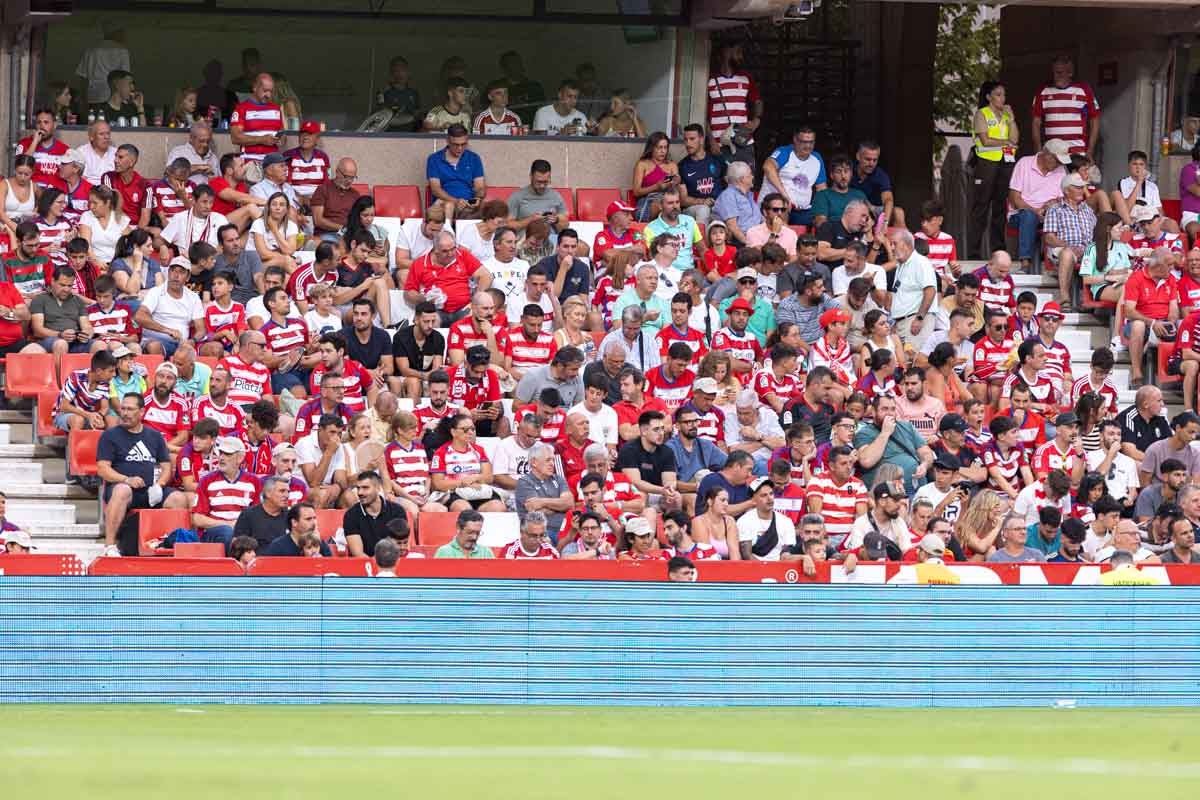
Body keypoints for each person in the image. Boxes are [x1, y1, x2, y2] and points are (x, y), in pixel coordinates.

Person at [98, 392, 190, 555]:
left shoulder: (154, 436)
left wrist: (159, 485)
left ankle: (170, 544)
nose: (125, 413)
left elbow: (166, 467)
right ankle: (110, 546)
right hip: (123, 488)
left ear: (142, 412)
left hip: (149, 490)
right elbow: (103, 469)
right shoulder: (110, 436)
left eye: (130, 409)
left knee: (179, 498)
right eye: (123, 409)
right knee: (122, 490)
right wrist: (126, 479)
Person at [1007, 139, 1070, 271]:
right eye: (1057, 160)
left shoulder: (1061, 170)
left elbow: (1064, 197)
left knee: (1064, 215)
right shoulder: (1024, 163)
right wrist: (1036, 211)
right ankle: (1025, 263)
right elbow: (1015, 198)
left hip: (1049, 214)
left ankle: (1059, 261)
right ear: (1046, 154)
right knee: (1029, 216)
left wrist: (1053, 203)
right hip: (1022, 213)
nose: (1059, 164)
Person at [403, 230, 491, 324]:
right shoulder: (420, 263)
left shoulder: (462, 255)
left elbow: (486, 276)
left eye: (453, 249)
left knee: (475, 316)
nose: (450, 254)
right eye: (445, 251)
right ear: (435, 250)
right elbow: (408, 293)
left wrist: (476, 300)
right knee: (429, 322)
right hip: (436, 310)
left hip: (464, 308)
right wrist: (425, 298)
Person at [855, 393, 934, 493]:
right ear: (874, 412)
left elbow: (926, 453)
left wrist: (924, 465)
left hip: (918, 490)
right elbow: (866, 461)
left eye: (892, 409)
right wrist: (885, 432)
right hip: (888, 494)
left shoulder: (907, 427)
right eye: (885, 409)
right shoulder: (864, 433)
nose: (890, 413)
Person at [1031, 54, 1100, 158]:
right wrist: (1038, 151)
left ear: (1070, 73)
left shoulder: (1084, 90)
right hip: (1052, 154)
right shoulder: (1042, 90)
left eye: (1059, 73)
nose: (1055, 76)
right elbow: (1036, 123)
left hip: (1078, 153)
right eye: (1054, 72)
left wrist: (1090, 151)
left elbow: (1095, 120)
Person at [1046, 173, 1098, 308]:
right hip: (1063, 248)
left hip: (1087, 249)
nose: (1082, 190)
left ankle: (1091, 300)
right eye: (1078, 187)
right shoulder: (1055, 209)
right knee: (1068, 253)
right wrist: (1069, 246)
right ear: (1067, 190)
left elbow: (1097, 233)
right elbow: (1049, 238)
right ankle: (1064, 298)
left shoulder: (1087, 209)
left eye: (1082, 187)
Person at [761, 126, 826, 227]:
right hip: (777, 208)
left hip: (803, 211)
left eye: (811, 142)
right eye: (804, 142)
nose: (808, 146)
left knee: (822, 222)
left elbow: (821, 189)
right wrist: (785, 196)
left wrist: (822, 212)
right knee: (782, 213)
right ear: (795, 140)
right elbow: (768, 167)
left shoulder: (817, 158)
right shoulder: (785, 152)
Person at [23, 266, 92, 355]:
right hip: (50, 340)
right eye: (62, 285)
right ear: (53, 281)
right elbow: (37, 330)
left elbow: (87, 326)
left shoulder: (77, 301)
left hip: (75, 341)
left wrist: (86, 334)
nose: (66, 289)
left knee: (100, 345)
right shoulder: (40, 299)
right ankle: (60, 369)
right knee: (61, 343)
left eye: (70, 286)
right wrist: (60, 334)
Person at [426, 124, 485, 223]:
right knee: (447, 206)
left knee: (492, 209)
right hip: (443, 201)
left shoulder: (474, 158)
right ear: (448, 141)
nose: (460, 148)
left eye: (463, 144)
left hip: (467, 203)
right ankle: (447, 232)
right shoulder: (434, 159)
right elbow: (435, 189)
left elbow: (479, 187)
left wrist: (477, 198)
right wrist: (455, 201)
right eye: (456, 145)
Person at [513, 443, 573, 541]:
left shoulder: (559, 479)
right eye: (548, 460)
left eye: (553, 460)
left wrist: (542, 502)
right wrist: (560, 507)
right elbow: (537, 512)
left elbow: (569, 503)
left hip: (565, 530)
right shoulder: (524, 482)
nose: (552, 463)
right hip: (542, 533)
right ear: (534, 462)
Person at [342, 470, 407, 558]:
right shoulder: (351, 515)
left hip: (392, 563)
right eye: (358, 488)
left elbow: (400, 546)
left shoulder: (397, 511)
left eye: (365, 488)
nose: (360, 493)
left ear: (378, 488)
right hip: (364, 567)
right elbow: (358, 554)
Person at [675, 123, 724, 225]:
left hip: (718, 206)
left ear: (701, 139)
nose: (688, 144)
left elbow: (728, 183)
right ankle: (701, 240)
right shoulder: (682, 166)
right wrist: (703, 202)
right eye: (686, 139)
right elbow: (683, 200)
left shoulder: (716, 160)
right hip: (694, 209)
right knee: (703, 210)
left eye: (692, 139)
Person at [229, 73, 283, 163]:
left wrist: (281, 139)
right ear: (255, 87)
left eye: (271, 91)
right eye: (265, 90)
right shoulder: (241, 109)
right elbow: (235, 138)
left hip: (272, 164)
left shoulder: (276, 109)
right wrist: (262, 140)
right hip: (250, 163)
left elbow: (282, 133)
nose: (268, 95)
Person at [19, 108, 70, 189]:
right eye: (39, 122)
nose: (42, 126)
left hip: (54, 196)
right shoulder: (25, 143)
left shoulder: (65, 150)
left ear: (55, 125)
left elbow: (69, 177)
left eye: (46, 122)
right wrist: (35, 142)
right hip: (30, 192)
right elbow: (21, 168)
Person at [712, 161, 761, 246]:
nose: (752, 177)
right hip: (743, 241)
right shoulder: (728, 196)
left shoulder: (748, 194)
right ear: (742, 179)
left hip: (759, 235)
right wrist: (749, 243)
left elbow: (760, 218)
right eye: (749, 175)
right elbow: (733, 227)